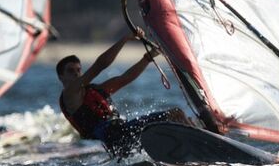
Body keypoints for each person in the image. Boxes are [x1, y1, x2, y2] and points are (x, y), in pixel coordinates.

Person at [57, 29, 190, 157]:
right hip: (115, 137)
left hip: (121, 137)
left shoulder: (94, 90)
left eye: (78, 70)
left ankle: (187, 145)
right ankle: (194, 144)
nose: (76, 74)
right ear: (61, 77)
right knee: (175, 114)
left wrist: (148, 57)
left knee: (178, 117)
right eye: (71, 71)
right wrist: (125, 39)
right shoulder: (69, 95)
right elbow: (100, 65)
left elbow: (125, 78)